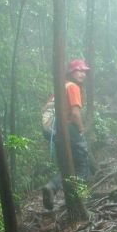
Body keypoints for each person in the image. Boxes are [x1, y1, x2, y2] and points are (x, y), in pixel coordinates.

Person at [42, 58, 90, 210]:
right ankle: (77, 200)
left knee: (68, 165)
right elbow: (75, 114)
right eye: (79, 70)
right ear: (71, 72)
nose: (82, 74)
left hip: (53, 131)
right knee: (82, 165)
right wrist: (81, 130)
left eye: (84, 71)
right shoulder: (73, 87)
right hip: (67, 127)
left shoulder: (59, 87)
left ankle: (52, 186)